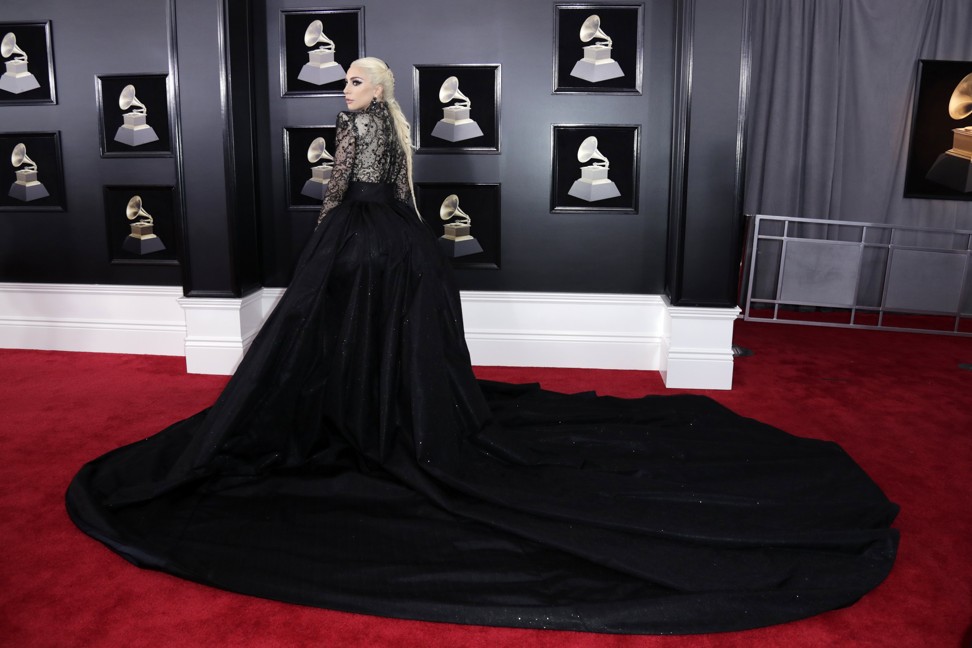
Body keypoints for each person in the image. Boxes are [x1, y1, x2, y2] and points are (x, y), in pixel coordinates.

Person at [66, 57, 899, 635]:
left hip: (362, 245)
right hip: (396, 246)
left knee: (332, 333)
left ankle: (369, 408)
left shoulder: (364, 129)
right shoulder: (389, 127)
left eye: (355, 78)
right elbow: (394, 194)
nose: (345, 87)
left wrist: (324, 247)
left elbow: (342, 193)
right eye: (346, 77)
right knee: (371, 335)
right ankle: (381, 400)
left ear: (375, 88)